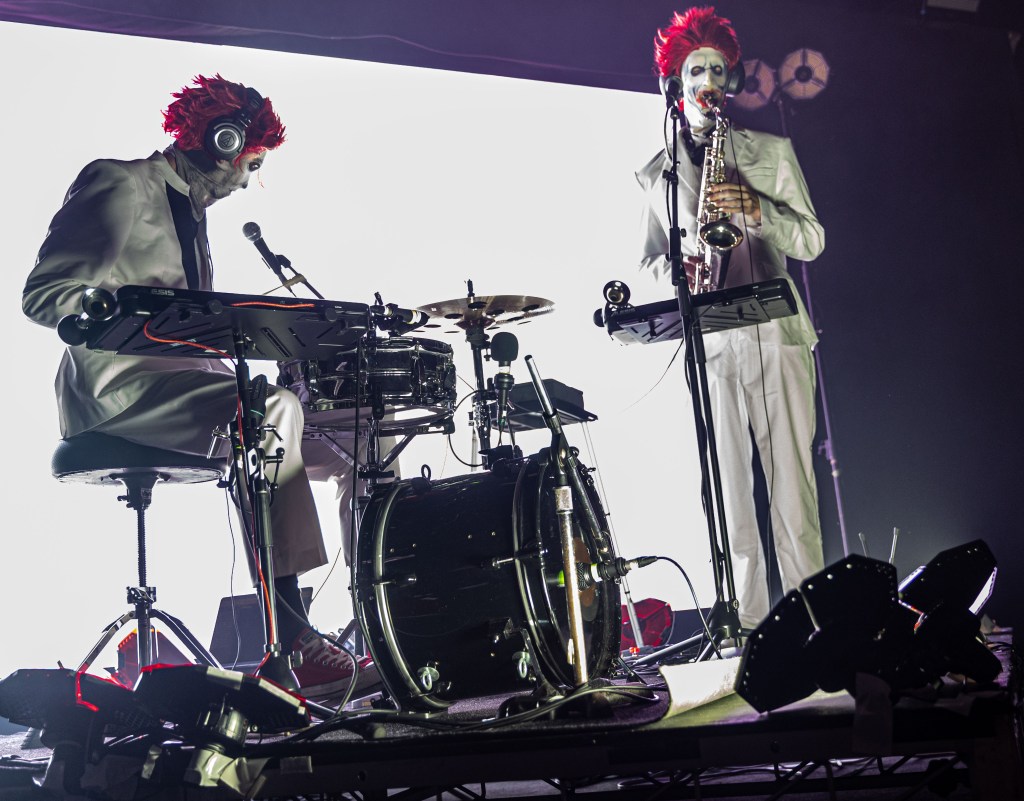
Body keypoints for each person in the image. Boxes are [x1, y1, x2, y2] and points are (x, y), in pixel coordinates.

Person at [23, 74, 360, 699]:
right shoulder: (120, 183)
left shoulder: (191, 212)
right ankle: (291, 637)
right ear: (222, 142)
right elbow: (45, 294)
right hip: (123, 392)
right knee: (271, 412)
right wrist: (121, 313)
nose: (247, 182)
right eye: (251, 165)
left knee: (359, 441)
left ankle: (377, 624)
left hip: (195, 385)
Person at [636, 8, 826, 632]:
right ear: (676, 82)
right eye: (698, 70)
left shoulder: (771, 152)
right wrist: (678, 269)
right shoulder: (657, 173)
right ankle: (747, 630)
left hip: (776, 332)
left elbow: (812, 240)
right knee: (729, 498)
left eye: (719, 69)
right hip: (712, 339)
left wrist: (757, 211)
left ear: (734, 80)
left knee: (792, 490)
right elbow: (649, 262)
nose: (710, 79)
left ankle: (811, 627)